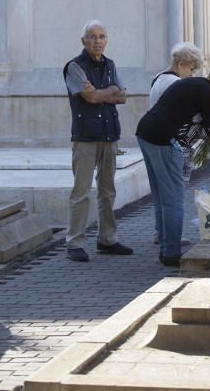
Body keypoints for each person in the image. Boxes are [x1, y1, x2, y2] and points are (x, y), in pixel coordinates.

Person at [136, 61, 210, 267]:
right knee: (173, 198)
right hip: (165, 140)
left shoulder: (197, 84)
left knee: (162, 196)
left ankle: (165, 246)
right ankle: (171, 253)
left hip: (146, 134)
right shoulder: (208, 94)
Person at [63, 20, 133, 262]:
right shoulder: (75, 66)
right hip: (85, 137)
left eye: (102, 36)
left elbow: (123, 97)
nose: (97, 41)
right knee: (81, 191)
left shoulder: (110, 64)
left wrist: (106, 91)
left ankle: (107, 239)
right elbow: (90, 98)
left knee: (108, 190)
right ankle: (74, 243)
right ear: (84, 40)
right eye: (92, 37)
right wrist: (109, 91)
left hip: (109, 134)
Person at [149, 42, 204, 245]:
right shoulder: (174, 83)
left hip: (154, 139)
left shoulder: (158, 78)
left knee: (160, 193)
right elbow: (188, 115)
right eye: (191, 69)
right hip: (171, 142)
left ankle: (160, 232)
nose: (191, 74)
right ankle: (172, 238)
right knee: (174, 193)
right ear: (181, 64)